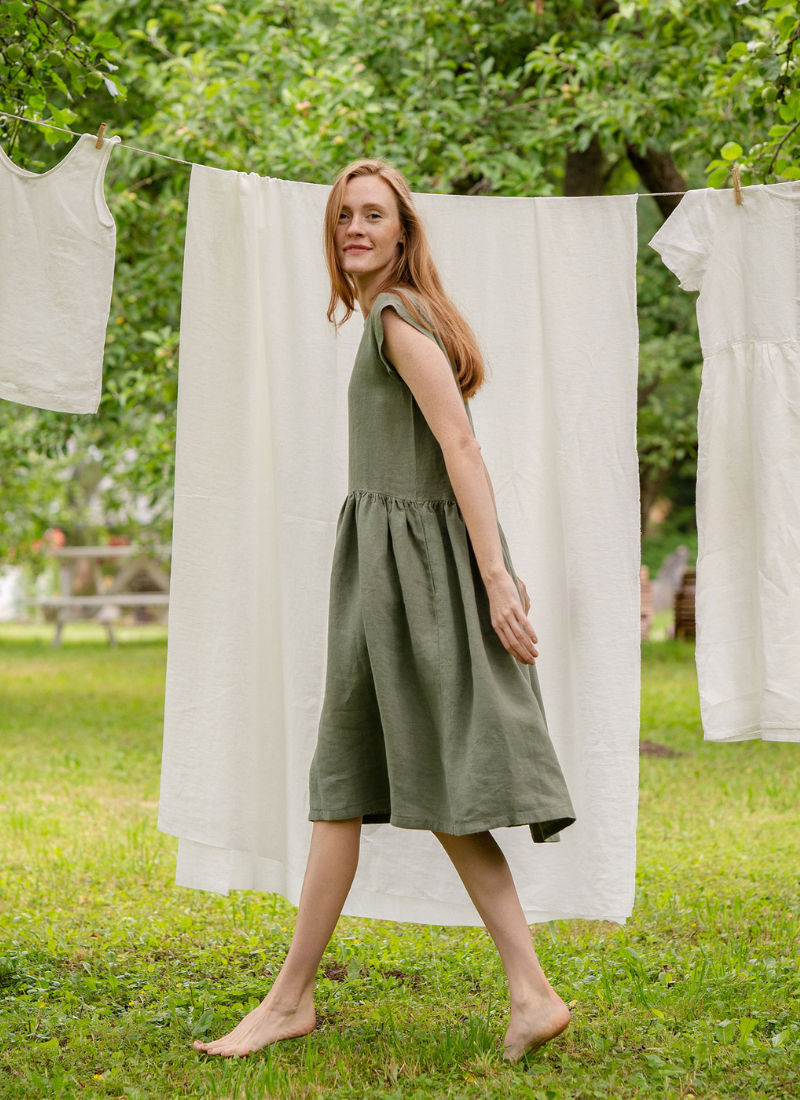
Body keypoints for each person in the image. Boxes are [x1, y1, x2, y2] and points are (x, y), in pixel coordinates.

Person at [194, 159, 575, 1063]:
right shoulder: (385, 318)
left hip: (418, 582)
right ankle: (529, 992)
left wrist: (496, 580)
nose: (354, 230)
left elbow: (461, 447)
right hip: (391, 575)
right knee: (370, 783)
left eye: (372, 216)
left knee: (353, 781)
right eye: (342, 219)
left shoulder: (398, 320)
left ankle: (292, 1001)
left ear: (404, 233)